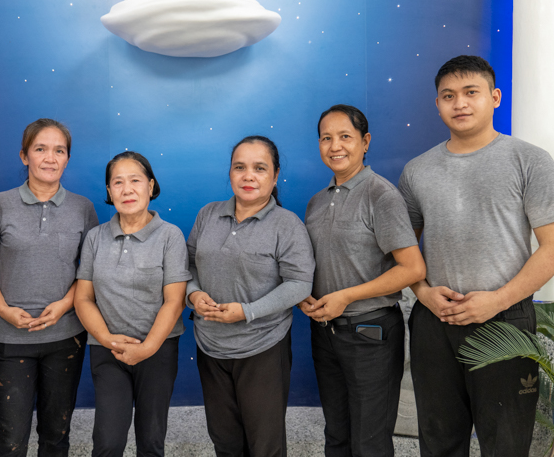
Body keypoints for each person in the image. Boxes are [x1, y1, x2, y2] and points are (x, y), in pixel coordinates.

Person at [399, 55, 554, 456]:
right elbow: (404, 253)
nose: (460, 103)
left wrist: (498, 300)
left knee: (505, 443)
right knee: (438, 441)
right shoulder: (416, 171)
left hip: (505, 317)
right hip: (436, 319)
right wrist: (423, 292)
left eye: (471, 93)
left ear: (495, 97)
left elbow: (552, 246)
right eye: (448, 95)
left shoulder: (529, 160)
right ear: (437, 104)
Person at [301, 105, 426, 456]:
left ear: (365, 141)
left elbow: (413, 269)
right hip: (325, 332)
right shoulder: (315, 203)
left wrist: (346, 297)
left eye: (345, 137)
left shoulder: (380, 195)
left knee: (369, 442)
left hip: (369, 333)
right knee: (337, 435)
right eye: (326, 138)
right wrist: (304, 295)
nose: (335, 146)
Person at [0, 119, 98, 457]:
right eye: (40, 149)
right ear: (24, 156)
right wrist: (3, 309)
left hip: (65, 338)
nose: (50, 157)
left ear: (68, 158)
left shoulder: (83, 208)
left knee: (56, 434)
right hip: (9, 338)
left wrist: (63, 306)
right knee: (11, 436)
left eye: (59, 150)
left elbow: (88, 273)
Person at [186, 136, 315, 457]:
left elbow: (300, 283)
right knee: (225, 441)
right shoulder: (208, 215)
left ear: (275, 175)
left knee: (264, 445)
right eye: (239, 167)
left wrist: (247, 311)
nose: (248, 176)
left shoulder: (287, 225)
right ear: (229, 173)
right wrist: (193, 294)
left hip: (262, 348)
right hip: (211, 347)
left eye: (260, 168)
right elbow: (187, 265)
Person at [74, 151, 190, 457]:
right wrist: (106, 339)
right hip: (107, 348)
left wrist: (148, 347)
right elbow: (83, 297)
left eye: (135, 180)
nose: (127, 190)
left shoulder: (170, 236)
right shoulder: (95, 238)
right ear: (110, 192)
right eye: (118, 182)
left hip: (158, 349)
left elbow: (175, 301)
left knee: (151, 442)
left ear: (150, 186)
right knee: (108, 442)